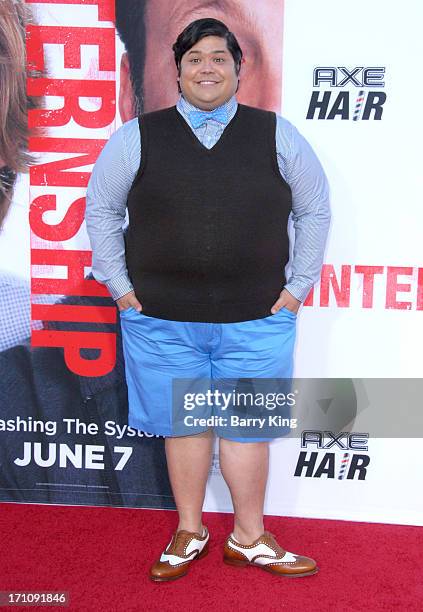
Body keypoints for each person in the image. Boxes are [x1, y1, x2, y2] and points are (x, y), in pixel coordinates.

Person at [85, 17, 331, 580]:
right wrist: (121, 291)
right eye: (195, 58)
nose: (207, 68)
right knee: (184, 426)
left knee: (247, 429)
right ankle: (189, 531)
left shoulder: (278, 133)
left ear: (239, 71)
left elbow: (314, 209)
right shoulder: (137, 136)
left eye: (220, 58)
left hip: (257, 318)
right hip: (161, 321)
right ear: (178, 71)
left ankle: (249, 537)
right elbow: (100, 211)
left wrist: (297, 290)